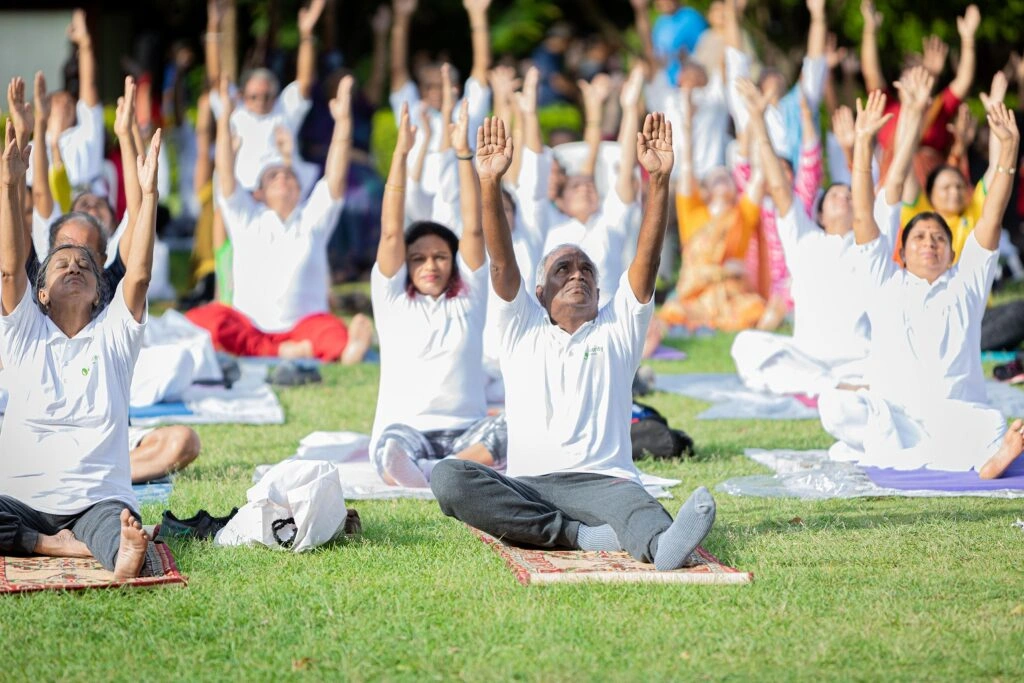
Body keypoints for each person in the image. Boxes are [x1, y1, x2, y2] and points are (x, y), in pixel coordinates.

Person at [430, 114, 716, 571]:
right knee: (449, 477)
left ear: (600, 294)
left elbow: (647, 259)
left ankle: (663, 545)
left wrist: (660, 180)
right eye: (562, 270)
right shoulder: (522, 326)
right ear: (539, 293)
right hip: (529, 486)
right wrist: (489, 183)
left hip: (605, 482)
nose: (577, 275)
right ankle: (578, 535)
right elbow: (500, 263)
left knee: (640, 511)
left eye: (586, 271)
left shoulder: (617, 327)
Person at [817, 93, 1024, 478]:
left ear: (952, 253)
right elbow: (863, 215)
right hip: (897, 415)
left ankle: (967, 456)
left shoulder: (966, 283)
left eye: (939, 238)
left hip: (953, 415)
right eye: (919, 237)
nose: (929, 243)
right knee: (834, 405)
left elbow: (992, 216)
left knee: (993, 421)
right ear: (901, 252)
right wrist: (862, 145)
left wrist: (1009, 150)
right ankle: (973, 458)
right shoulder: (884, 281)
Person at [0, 120, 158, 578]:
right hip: (20, 499)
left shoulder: (114, 334)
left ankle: (118, 551)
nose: (73, 266)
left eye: (84, 265)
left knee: (118, 530)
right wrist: (10, 185)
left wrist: (148, 195)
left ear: (99, 291)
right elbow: (9, 269)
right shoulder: (24, 330)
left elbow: (139, 275)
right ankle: (51, 544)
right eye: (61, 263)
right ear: (41, 293)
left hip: (97, 498)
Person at [731, 67, 931, 397]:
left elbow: (895, 178)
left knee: (907, 361)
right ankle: (833, 387)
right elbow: (779, 186)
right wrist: (757, 119)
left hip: (863, 361)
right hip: (808, 360)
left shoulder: (872, 240)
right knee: (745, 345)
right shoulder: (803, 239)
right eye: (835, 194)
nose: (844, 196)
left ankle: (835, 386)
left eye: (850, 194)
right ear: (819, 214)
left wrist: (915, 112)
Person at [186, 76, 372, 364]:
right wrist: (224, 117)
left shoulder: (312, 219)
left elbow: (335, 176)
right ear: (258, 193)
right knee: (206, 320)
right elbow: (225, 173)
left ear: (299, 189)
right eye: (273, 177)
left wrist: (344, 121)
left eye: (289, 176)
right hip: (251, 326)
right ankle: (284, 351)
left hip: (304, 326)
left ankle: (346, 350)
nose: (283, 178)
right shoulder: (246, 217)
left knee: (329, 328)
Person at [368, 104, 507, 488]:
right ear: (406, 264)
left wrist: (463, 153)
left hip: (467, 434)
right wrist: (401, 153)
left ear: (453, 262)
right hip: (407, 431)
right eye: (419, 258)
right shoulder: (393, 302)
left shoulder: (469, 299)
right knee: (390, 449)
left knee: (515, 426)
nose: (430, 265)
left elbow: (473, 229)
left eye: (441, 257)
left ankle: (437, 471)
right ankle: (445, 472)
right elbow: (391, 231)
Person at [657, 86, 766, 331]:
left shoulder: (742, 214)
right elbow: (686, 166)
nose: (723, 179)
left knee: (755, 308)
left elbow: (760, 174)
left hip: (730, 292)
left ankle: (706, 324)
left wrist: (757, 120)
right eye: (715, 178)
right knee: (673, 311)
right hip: (696, 292)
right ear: (705, 190)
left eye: (726, 176)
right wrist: (688, 123)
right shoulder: (692, 212)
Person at [541, 66, 644, 307]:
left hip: (608, 316)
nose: (585, 189)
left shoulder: (610, 221)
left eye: (589, 186)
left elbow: (625, 165)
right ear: (560, 201)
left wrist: (630, 108)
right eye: (575, 187)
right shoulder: (549, 225)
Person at [206, 0, 324, 193]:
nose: (261, 101)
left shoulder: (284, 110)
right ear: (242, 95)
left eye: (267, 96)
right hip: (242, 196)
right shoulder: (234, 109)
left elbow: (304, 81)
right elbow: (215, 78)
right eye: (254, 96)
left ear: (275, 96)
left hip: (279, 197)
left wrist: (307, 34)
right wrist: (214, 26)